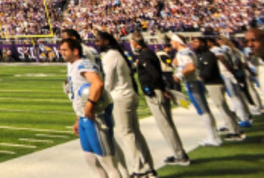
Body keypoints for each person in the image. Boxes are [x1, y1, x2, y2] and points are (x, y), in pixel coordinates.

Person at [61, 36, 122, 177]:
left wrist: (89, 107)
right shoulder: (73, 66)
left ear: (75, 51)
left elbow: (98, 84)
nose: (62, 52)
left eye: (65, 50)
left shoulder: (83, 64)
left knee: (107, 161)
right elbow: (78, 96)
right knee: (91, 159)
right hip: (83, 117)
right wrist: (78, 117)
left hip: (95, 116)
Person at [96, 31, 154, 177]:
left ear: (106, 42)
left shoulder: (110, 56)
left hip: (121, 96)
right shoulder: (118, 53)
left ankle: (138, 169)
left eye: (99, 41)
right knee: (136, 133)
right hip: (129, 93)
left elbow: (108, 81)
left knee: (127, 133)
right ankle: (148, 167)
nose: (97, 43)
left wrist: (101, 98)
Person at [130, 34, 189, 167]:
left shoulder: (145, 56)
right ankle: (179, 152)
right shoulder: (149, 53)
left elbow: (155, 75)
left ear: (135, 43)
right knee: (168, 124)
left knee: (165, 125)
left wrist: (161, 89)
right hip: (158, 90)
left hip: (155, 92)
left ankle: (179, 155)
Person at [190, 33, 246, 138]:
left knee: (222, 107)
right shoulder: (202, 55)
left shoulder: (208, 55)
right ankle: (232, 127)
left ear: (203, 43)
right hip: (212, 84)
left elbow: (207, 72)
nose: (193, 43)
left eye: (196, 41)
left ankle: (235, 130)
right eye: (192, 42)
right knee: (222, 106)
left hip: (214, 84)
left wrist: (199, 77)